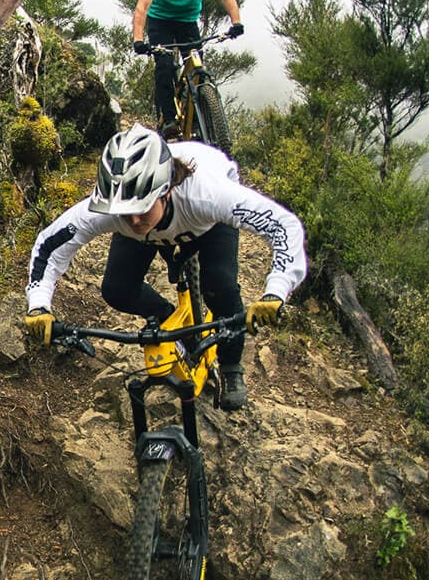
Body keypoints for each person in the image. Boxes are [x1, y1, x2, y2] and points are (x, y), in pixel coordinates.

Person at [21, 124, 306, 410]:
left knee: (220, 286)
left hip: (206, 225)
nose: (132, 220)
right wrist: (38, 306)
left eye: (142, 207)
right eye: (124, 212)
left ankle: (231, 367)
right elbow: (50, 245)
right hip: (152, 233)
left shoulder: (207, 195)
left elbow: (283, 226)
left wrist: (276, 291)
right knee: (117, 289)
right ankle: (171, 321)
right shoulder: (113, 205)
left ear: (166, 190)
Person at [131, 0, 243, 139]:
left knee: (197, 67)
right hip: (160, 20)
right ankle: (169, 119)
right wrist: (138, 39)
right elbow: (142, 7)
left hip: (187, 21)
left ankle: (201, 113)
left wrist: (236, 22)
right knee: (163, 66)